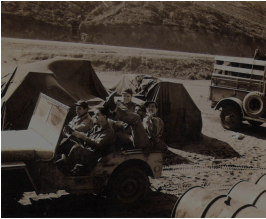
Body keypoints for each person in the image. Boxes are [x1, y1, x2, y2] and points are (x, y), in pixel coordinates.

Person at [56, 106, 115, 175]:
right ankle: (59, 162)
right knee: (69, 142)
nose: (94, 116)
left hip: (96, 156)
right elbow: (87, 135)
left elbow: (98, 143)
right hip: (89, 151)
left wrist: (84, 137)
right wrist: (77, 134)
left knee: (77, 148)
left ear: (104, 117)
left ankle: (66, 171)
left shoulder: (109, 131)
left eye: (97, 114)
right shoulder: (96, 127)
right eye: (95, 114)